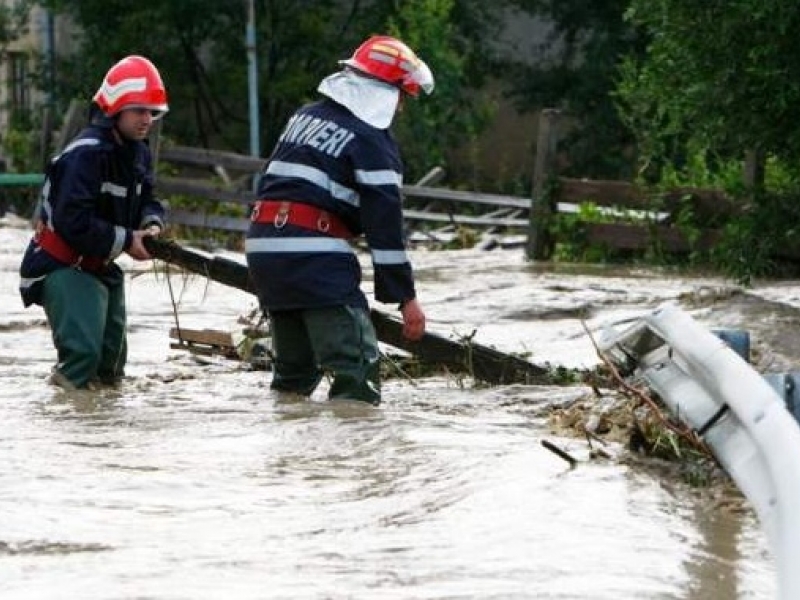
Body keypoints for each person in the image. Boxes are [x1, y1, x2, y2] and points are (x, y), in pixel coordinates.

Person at [245, 35, 434, 406]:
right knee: (356, 369)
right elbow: (385, 228)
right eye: (402, 97)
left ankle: (289, 455)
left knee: (293, 376)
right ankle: (350, 457)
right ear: (386, 91)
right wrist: (406, 299)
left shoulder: (304, 117)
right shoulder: (371, 140)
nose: (401, 109)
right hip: (311, 254)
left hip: (264, 249)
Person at [19, 55, 169, 390]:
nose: (147, 119)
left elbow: (148, 200)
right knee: (83, 356)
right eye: (139, 110)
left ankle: (102, 435)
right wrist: (129, 240)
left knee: (111, 362)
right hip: (61, 265)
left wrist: (151, 224)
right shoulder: (85, 155)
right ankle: (66, 432)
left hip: (98, 265)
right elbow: (74, 222)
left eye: (152, 112)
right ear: (115, 110)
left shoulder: (138, 152)